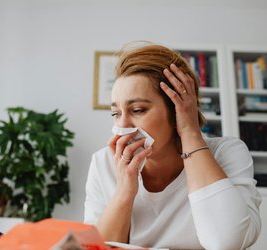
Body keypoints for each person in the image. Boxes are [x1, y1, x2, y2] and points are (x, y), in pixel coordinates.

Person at [84, 43, 261, 249]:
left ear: (177, 110)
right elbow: (97, 248)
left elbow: (227, 242)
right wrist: (125, 188)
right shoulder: (103, 162)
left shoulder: (226, 153)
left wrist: (190, 132)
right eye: (116, 113)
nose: (122, 126)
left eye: (138, 110)